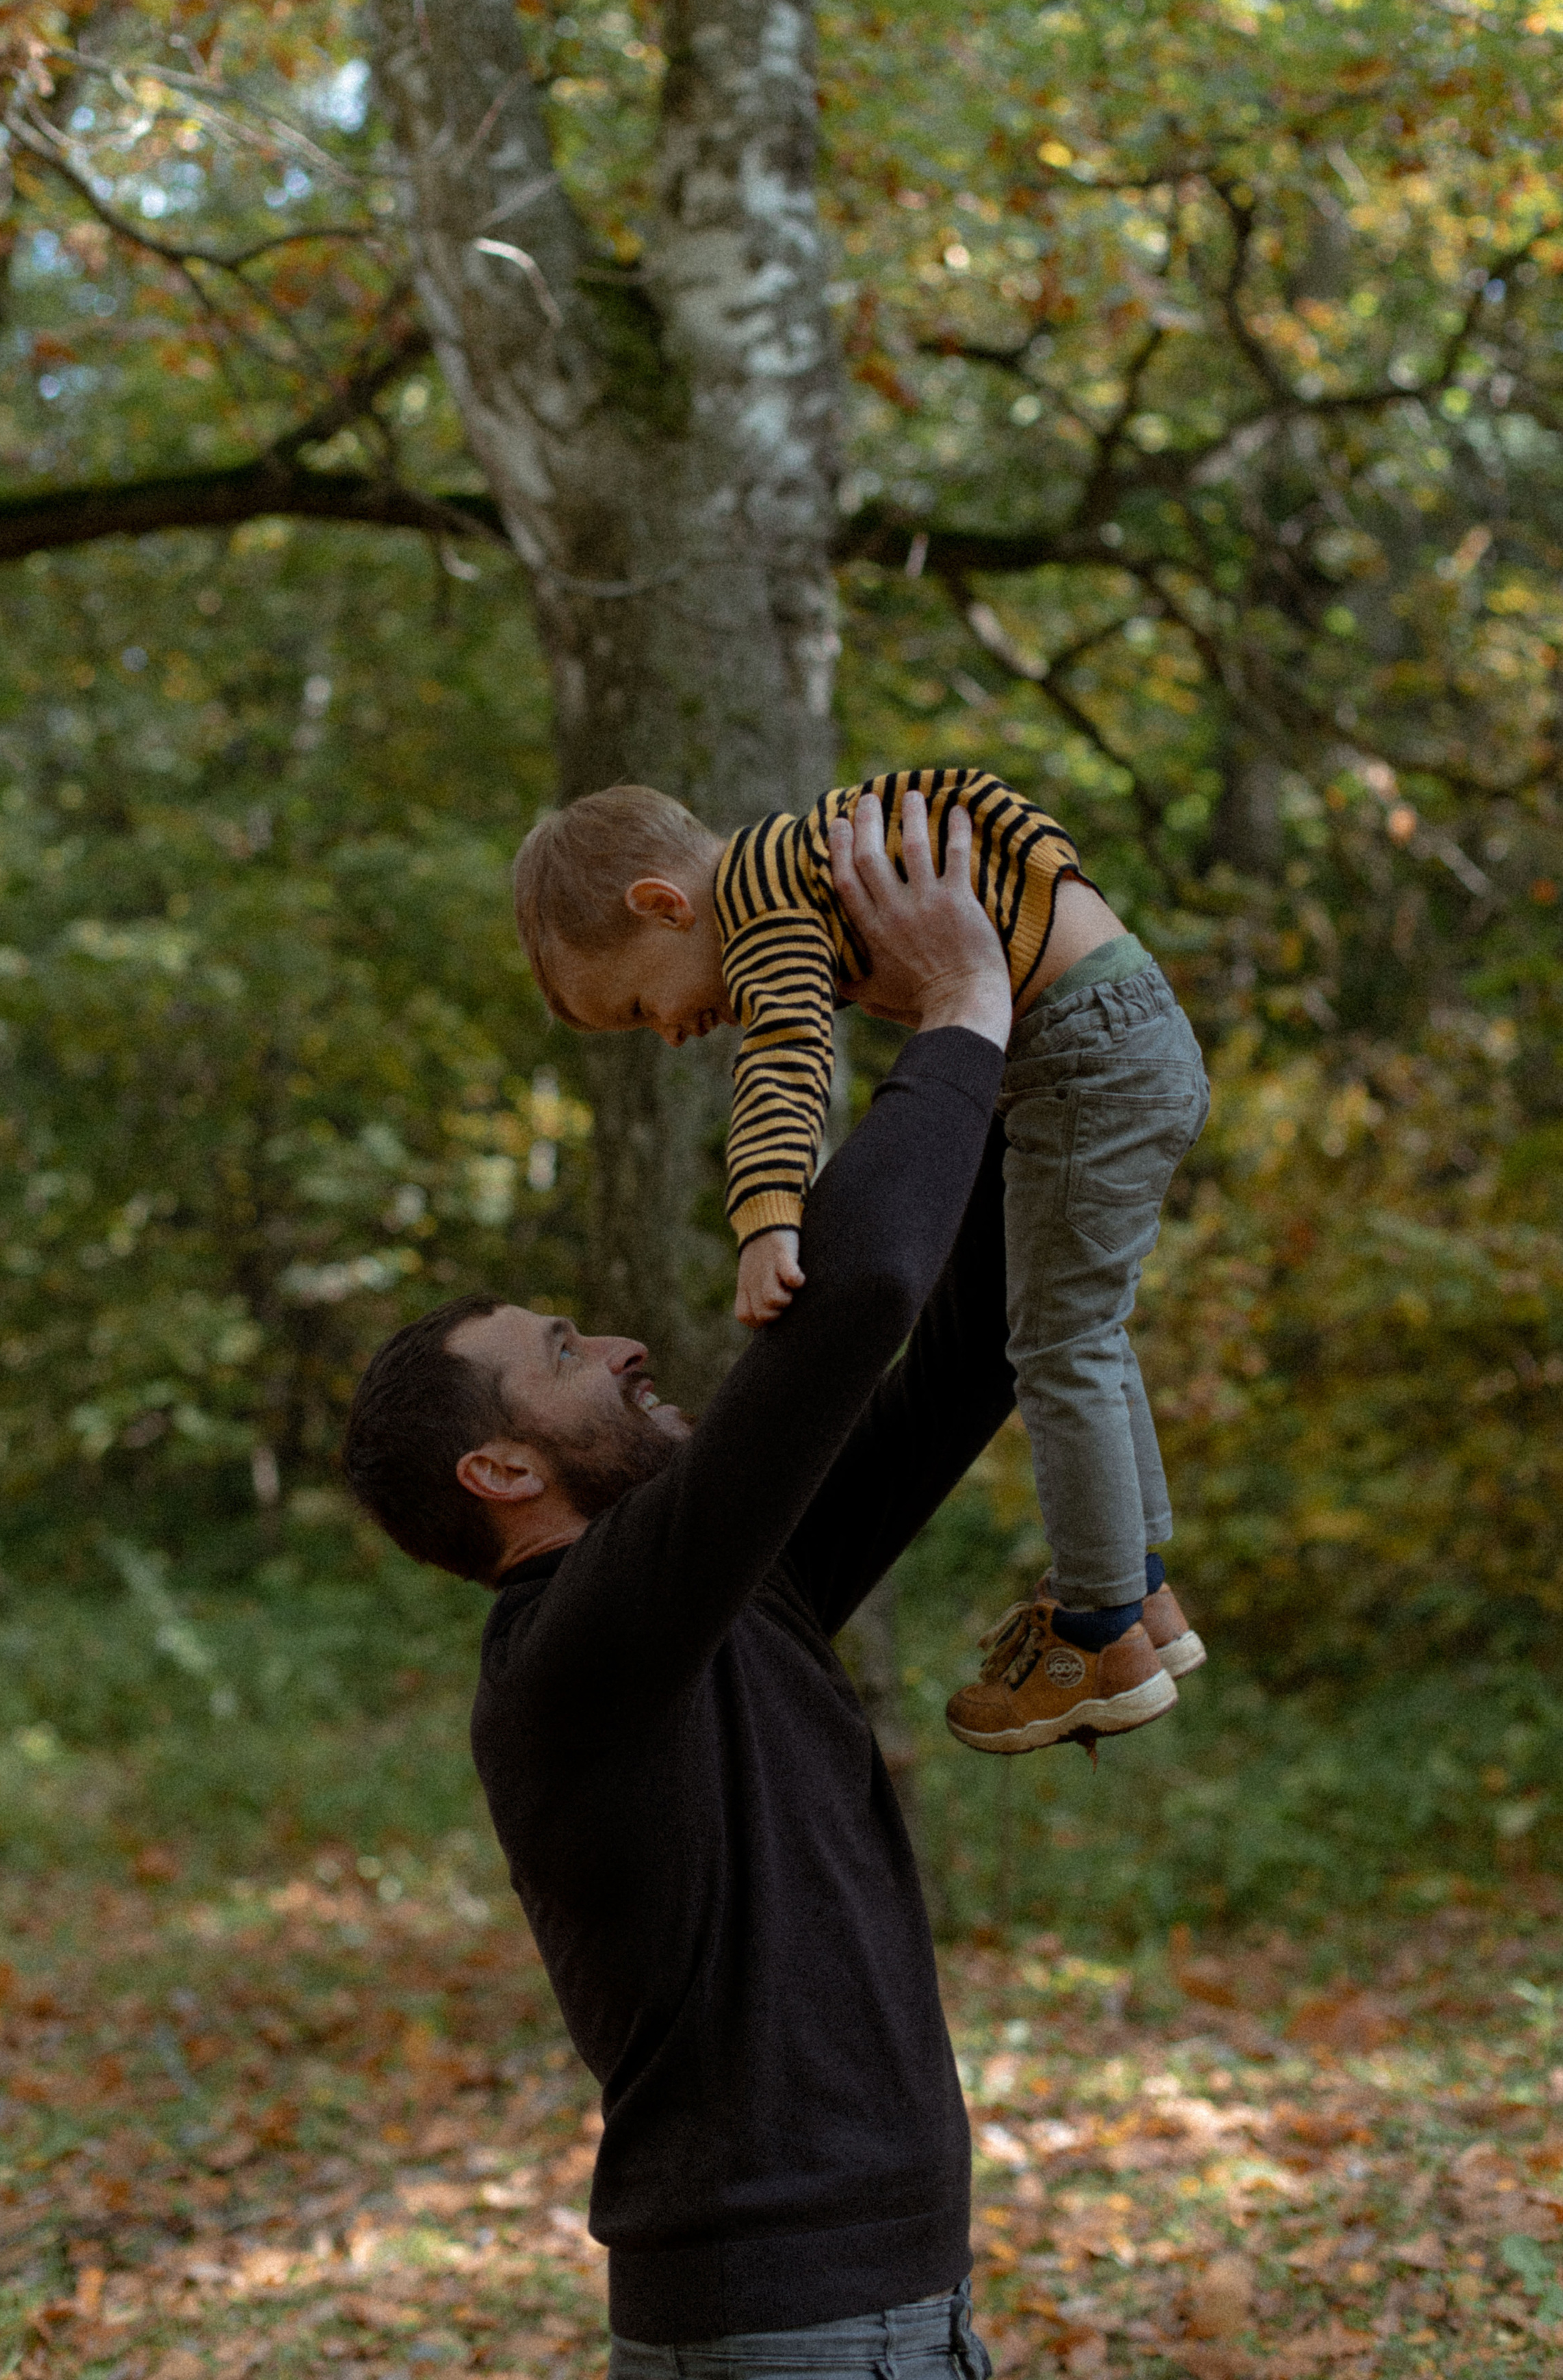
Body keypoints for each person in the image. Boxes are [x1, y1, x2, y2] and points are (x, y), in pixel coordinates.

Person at [346, 797, 1020, 2380]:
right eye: (563, 1358)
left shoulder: (724, 1587)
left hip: (862, 2311)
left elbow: (962, 1350)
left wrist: (1027, 1050)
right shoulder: (572, 1658)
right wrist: (955, 1012)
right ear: (500, 1473)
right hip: (789, 2331)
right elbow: (850, 1294)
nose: (624, 1346)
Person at [510, 771, 1211, 1755]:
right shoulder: (809, 853)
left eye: (638, 1005)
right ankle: (1140, 1596)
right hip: (1124, 1026)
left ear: (662, 906)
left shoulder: (763, 910)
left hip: (1081, 1056)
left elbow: (788, 1059)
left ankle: (1096, 1632)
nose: (669, 1033)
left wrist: (766, 1217)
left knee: (1060, 1344)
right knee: (1082, 1330)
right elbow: (979, 796)